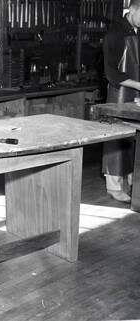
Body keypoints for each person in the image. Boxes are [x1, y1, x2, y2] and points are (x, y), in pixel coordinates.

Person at [102, 0, 140, 203]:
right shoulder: (115, 33)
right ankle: (114, 187)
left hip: (135, 93)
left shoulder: (138, 30)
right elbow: (111, 72)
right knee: (117, 140)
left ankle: (135, 182)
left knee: (135, 140)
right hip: (120, 93)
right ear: (132, 10)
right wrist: (138, 85)